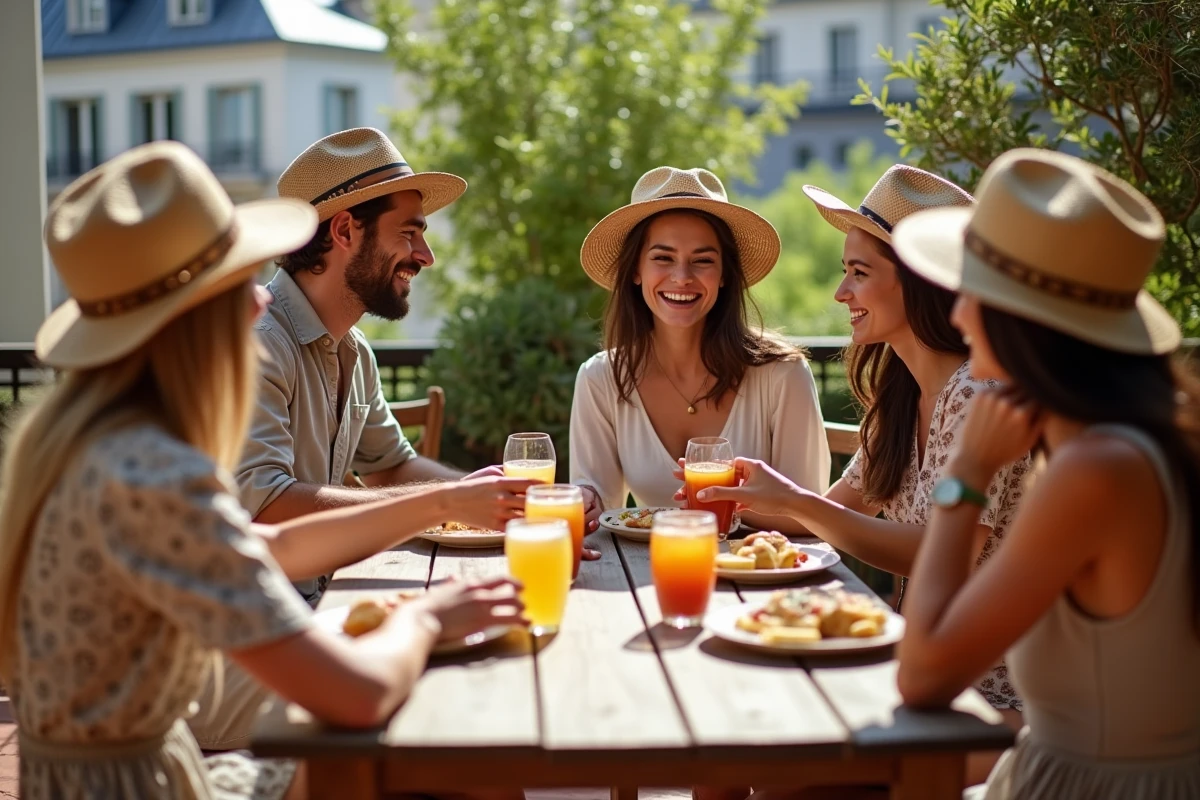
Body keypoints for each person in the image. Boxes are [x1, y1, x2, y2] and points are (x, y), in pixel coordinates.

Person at [0, 142, 529, 799]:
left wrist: (448, 506)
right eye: (236, 282)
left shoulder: (91, 442)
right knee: (455, 738)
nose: (258, 304)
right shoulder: (151, 472)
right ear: (188, 316)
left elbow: (271, 545)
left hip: (120, 776)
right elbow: (359, 696)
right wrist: (423, 620)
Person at [191, 128, 533, 751]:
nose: (425, 256)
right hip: (234, 656)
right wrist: (448, 505)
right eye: (410, 231)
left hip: (312, 610)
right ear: (345, 231)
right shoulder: (259, 343)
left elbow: (394, 467)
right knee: (453, 711)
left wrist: (511, 505)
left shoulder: (355, 349)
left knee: (476, 690)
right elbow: (263, 502)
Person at [693, 166, 1030, 790]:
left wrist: (795, 503)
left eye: (859, 273)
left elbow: (940, 552)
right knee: (734, 745)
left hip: (991, 701)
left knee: (761, 764)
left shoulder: (980, 397)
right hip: (911, 669)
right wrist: (732, 500)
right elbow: (824, 512)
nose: (840, 294)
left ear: (922, 283)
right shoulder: (900, 397)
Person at [890, 149, 1200, 798]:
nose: (957, 316)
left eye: (973, 294)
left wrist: (966, 476)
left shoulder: (1094, 470)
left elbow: (921, 674)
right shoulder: (1121, 446)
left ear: (1024, 323)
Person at [570, 166, 830, 536]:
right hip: (651, 573)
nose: (682, 277)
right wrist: (585, 500)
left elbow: (812, 516)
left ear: (724, 274)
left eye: (703, 260)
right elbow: (601, 509)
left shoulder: (783, 374)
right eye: (662, 257)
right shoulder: (600, 378)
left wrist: (720, 506)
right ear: (635, 271)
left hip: (761, 577)